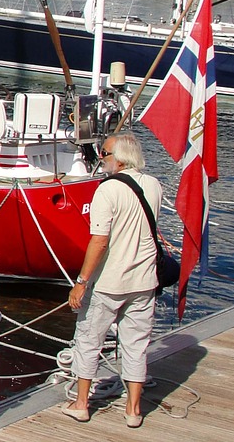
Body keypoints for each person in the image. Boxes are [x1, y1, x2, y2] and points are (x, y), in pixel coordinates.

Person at [62, 132, 162, 429]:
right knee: (136, 345)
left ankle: (81, 404)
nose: (100, 159)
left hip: (109, 281)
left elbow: (99, 241)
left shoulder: (107, 190)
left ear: (119, 159)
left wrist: (81, 281)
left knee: (89, 340)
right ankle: (133, 409)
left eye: (104, 153)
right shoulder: (154, 185)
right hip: (144, 280)